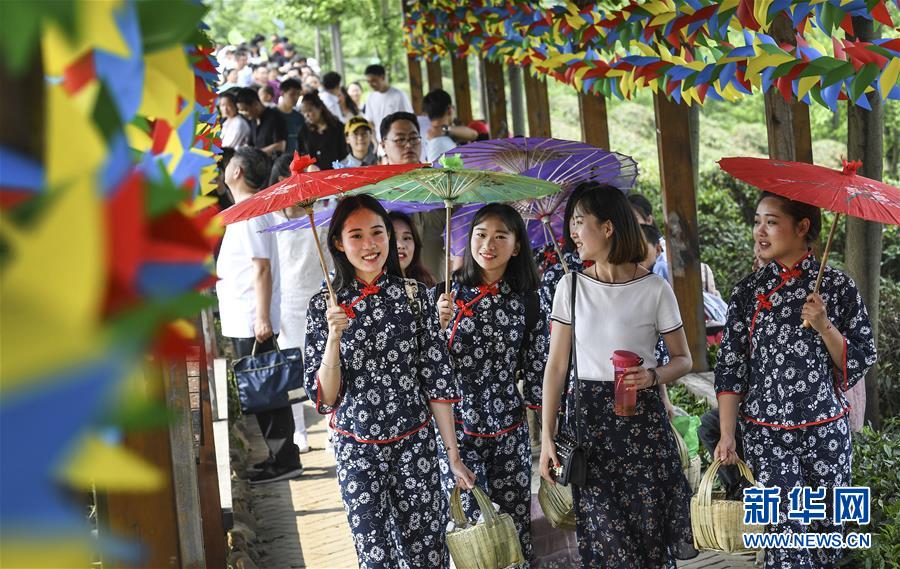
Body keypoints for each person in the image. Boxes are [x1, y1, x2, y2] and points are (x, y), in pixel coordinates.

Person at [304, 195, 475, 569]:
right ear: (338, 242)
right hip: (356, 450)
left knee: (428, 553)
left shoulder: (415, 297)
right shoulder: (324, 306)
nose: (370, 245)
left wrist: (453, 456)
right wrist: (334, 337)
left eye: (378, 233)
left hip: (414, 446)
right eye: (357, 235)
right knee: (376, 558)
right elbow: (326, 398)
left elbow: (437, 380)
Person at [714, 193, 877, 569]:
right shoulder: (747, 292)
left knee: (826, 538)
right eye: (757, 222)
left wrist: (824, 325)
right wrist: (726, 434)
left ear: (802, 227)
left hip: (826, 432)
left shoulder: (837, 288)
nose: (759, 232)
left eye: (771, 222)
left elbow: (858, 360)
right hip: (766, 435)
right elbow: (731, 368)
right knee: (785, 541)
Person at [540, 183, 696, 567]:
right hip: (590, 428)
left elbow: (684, 359)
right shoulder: (570, 286)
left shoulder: (654, 288)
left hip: (643, 424)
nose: (573, 233)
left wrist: (653, 377)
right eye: (571, 223)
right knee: (607, 540)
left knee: (650, 538)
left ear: (608, 227)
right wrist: (546, 439)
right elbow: (556, 368)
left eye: (580, 222)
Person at [435, 204, 547, 565]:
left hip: (509, 430)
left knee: (514, 527)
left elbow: (537, 372)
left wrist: (547, 437)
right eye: (481, 234)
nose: (488, 244)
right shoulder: (443, 296)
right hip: (458, 431)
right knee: (474, 530)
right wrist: (437, 326)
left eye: (501, 236)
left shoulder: (528, 301)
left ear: (516, 246)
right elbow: (427, 368)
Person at [216, 147, 303, 484]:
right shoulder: (246, 211)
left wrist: (263, 317)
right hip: (247, 316)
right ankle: (280, 456)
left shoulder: (251, 213)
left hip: (254, 319)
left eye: (228, 163)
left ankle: (284, 459)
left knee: (267, 389)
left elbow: (261, 268)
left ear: (238, 171)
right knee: (264, 389)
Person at [267, 155, 332, 455]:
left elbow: (331, 259)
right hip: (287, 302)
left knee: (327, 360)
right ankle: (299, 430)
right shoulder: (271, 219)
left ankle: (333, 422)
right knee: (293, 367)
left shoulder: (321, 214)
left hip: (318, 297)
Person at [422, 89, 478, 162]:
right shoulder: (440, 141)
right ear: (449, 109)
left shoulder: (442, 134)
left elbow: (473, 134)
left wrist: (444, 129)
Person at [364, 64, 413, 145]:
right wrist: (375, 142)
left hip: (399, 142)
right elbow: (370, 122)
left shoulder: (399, 95)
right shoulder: (370, 97)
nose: (370, 84)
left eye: (373, 81)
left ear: (383, 77)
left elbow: (409, 119)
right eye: (368, 82)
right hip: (381, 143)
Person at [297, 93, 346, 170]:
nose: (306, 115)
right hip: (313, 176)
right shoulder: (304, 131)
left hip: (336, 173)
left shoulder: (338, 127)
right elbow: (301, 155)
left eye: (309, 110)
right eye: (303, 112)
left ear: (320, 108)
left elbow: (344, 153)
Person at [235, 87, 287, 155]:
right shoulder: (253, 120)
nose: (244, 114)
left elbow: (280, 146)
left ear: (256, 104)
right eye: (241, 111)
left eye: (245, 110)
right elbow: (250, 144)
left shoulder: (275, 117)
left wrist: (257, 154)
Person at [389, 211, 435, 287]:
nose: (401, 245)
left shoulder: (427, 283)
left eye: (407, 238)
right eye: (393, 239)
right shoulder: (374, 288)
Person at [277, 78, 304, 155]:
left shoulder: (299, 117)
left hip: (294, 160)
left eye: (298, 94)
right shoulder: (272, 115)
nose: (296, 97)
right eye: (292, 94)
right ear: (282, 93)